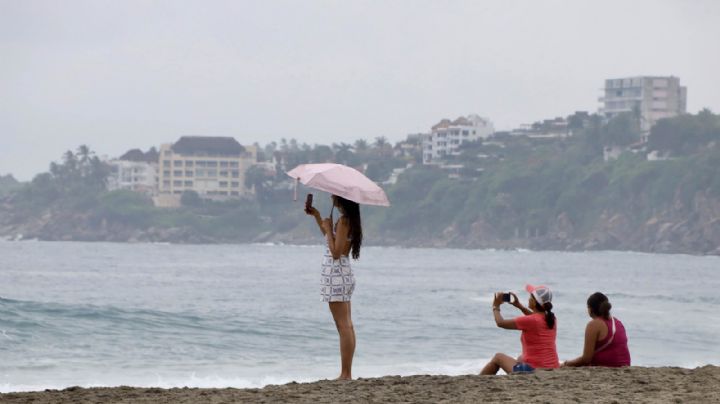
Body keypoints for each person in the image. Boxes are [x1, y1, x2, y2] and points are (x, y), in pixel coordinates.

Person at [306, 194, 363, 380]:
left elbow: (336, 252)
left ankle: (345, 374)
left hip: (336, 275)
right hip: (341, 274)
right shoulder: (348, 220)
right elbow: (331, 240)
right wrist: (317, 217)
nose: (331, 196)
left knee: (343, 326)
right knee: (347, 324)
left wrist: (330, 229)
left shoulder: (344, 221)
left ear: (342, 199)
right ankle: (347, 372)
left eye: (334, 195)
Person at [480, 284, 559, 375]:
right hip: (552, 368)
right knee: (520, 358)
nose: (528, 299)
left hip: (534, 371)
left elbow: (500, 323)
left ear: (533, 302)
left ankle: (476, 382)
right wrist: (519, 306)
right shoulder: (552, 319)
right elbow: (535, 319)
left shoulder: (531, 320)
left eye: (530, 297)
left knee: (498, 357)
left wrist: (495, 306)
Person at [563, 292, 631, 367]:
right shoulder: (617, 322)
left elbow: (586, 359)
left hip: (609, 366)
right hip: (625, 365)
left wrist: (566, 364)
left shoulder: (594, 325)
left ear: (590, 309)